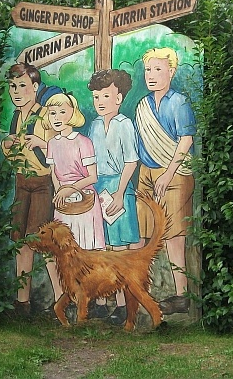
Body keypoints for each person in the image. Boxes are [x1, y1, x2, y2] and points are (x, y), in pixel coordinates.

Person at [134, 47, 196, 315]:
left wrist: (168, 173)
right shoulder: (142, 106)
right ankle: (140, 290)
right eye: (148, 70)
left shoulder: (179, 103)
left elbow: (186, 140)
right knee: (143, 232)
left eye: (157, 69)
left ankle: (181, 295)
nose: (151, 75)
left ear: (171, 72)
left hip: (176, 173)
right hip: (147, 173)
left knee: (174, 236)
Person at [0, 63, 61, 316]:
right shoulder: (17, 117)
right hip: (21, 182)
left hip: (42, 184)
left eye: (22, 86)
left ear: (35, 87)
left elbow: (61, 149)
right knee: (20, 242)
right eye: (13, 87)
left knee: (43, 243)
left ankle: (62, 299)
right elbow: (15, 154)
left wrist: (42, 143)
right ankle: (22, 301)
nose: (16, 92)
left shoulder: (45, 115)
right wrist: (8, 145)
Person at [87, 69, 141, 325]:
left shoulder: (124, 124)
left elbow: (131, 161)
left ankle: (122, 305)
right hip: (99, 189)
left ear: (118, 98)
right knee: (102, 246)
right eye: (96, 97)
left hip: (119, 187)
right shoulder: (95, 125)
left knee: (119, 248)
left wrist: (120, 194)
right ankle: (101, 300)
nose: (99, 102)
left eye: (105, 96)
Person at [43, 92, 106, 251]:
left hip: (84, 201)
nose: (56, 118)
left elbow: (92, 177)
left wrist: (69, 190)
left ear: (73, 113)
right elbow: (53, 174)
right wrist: (60, 193)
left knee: (87, 250)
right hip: (63, 203)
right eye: (52, 113)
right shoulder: (52, 144)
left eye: (62, 112)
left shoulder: (83, 142)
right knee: (65, 252)